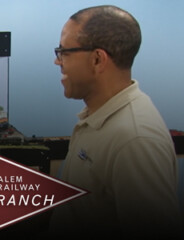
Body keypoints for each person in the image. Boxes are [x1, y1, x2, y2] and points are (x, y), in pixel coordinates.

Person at [50, 5, 182, 239]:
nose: (57, 62)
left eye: (64, 52)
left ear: (98, 59)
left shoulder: (135, 139)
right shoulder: (98, 116)